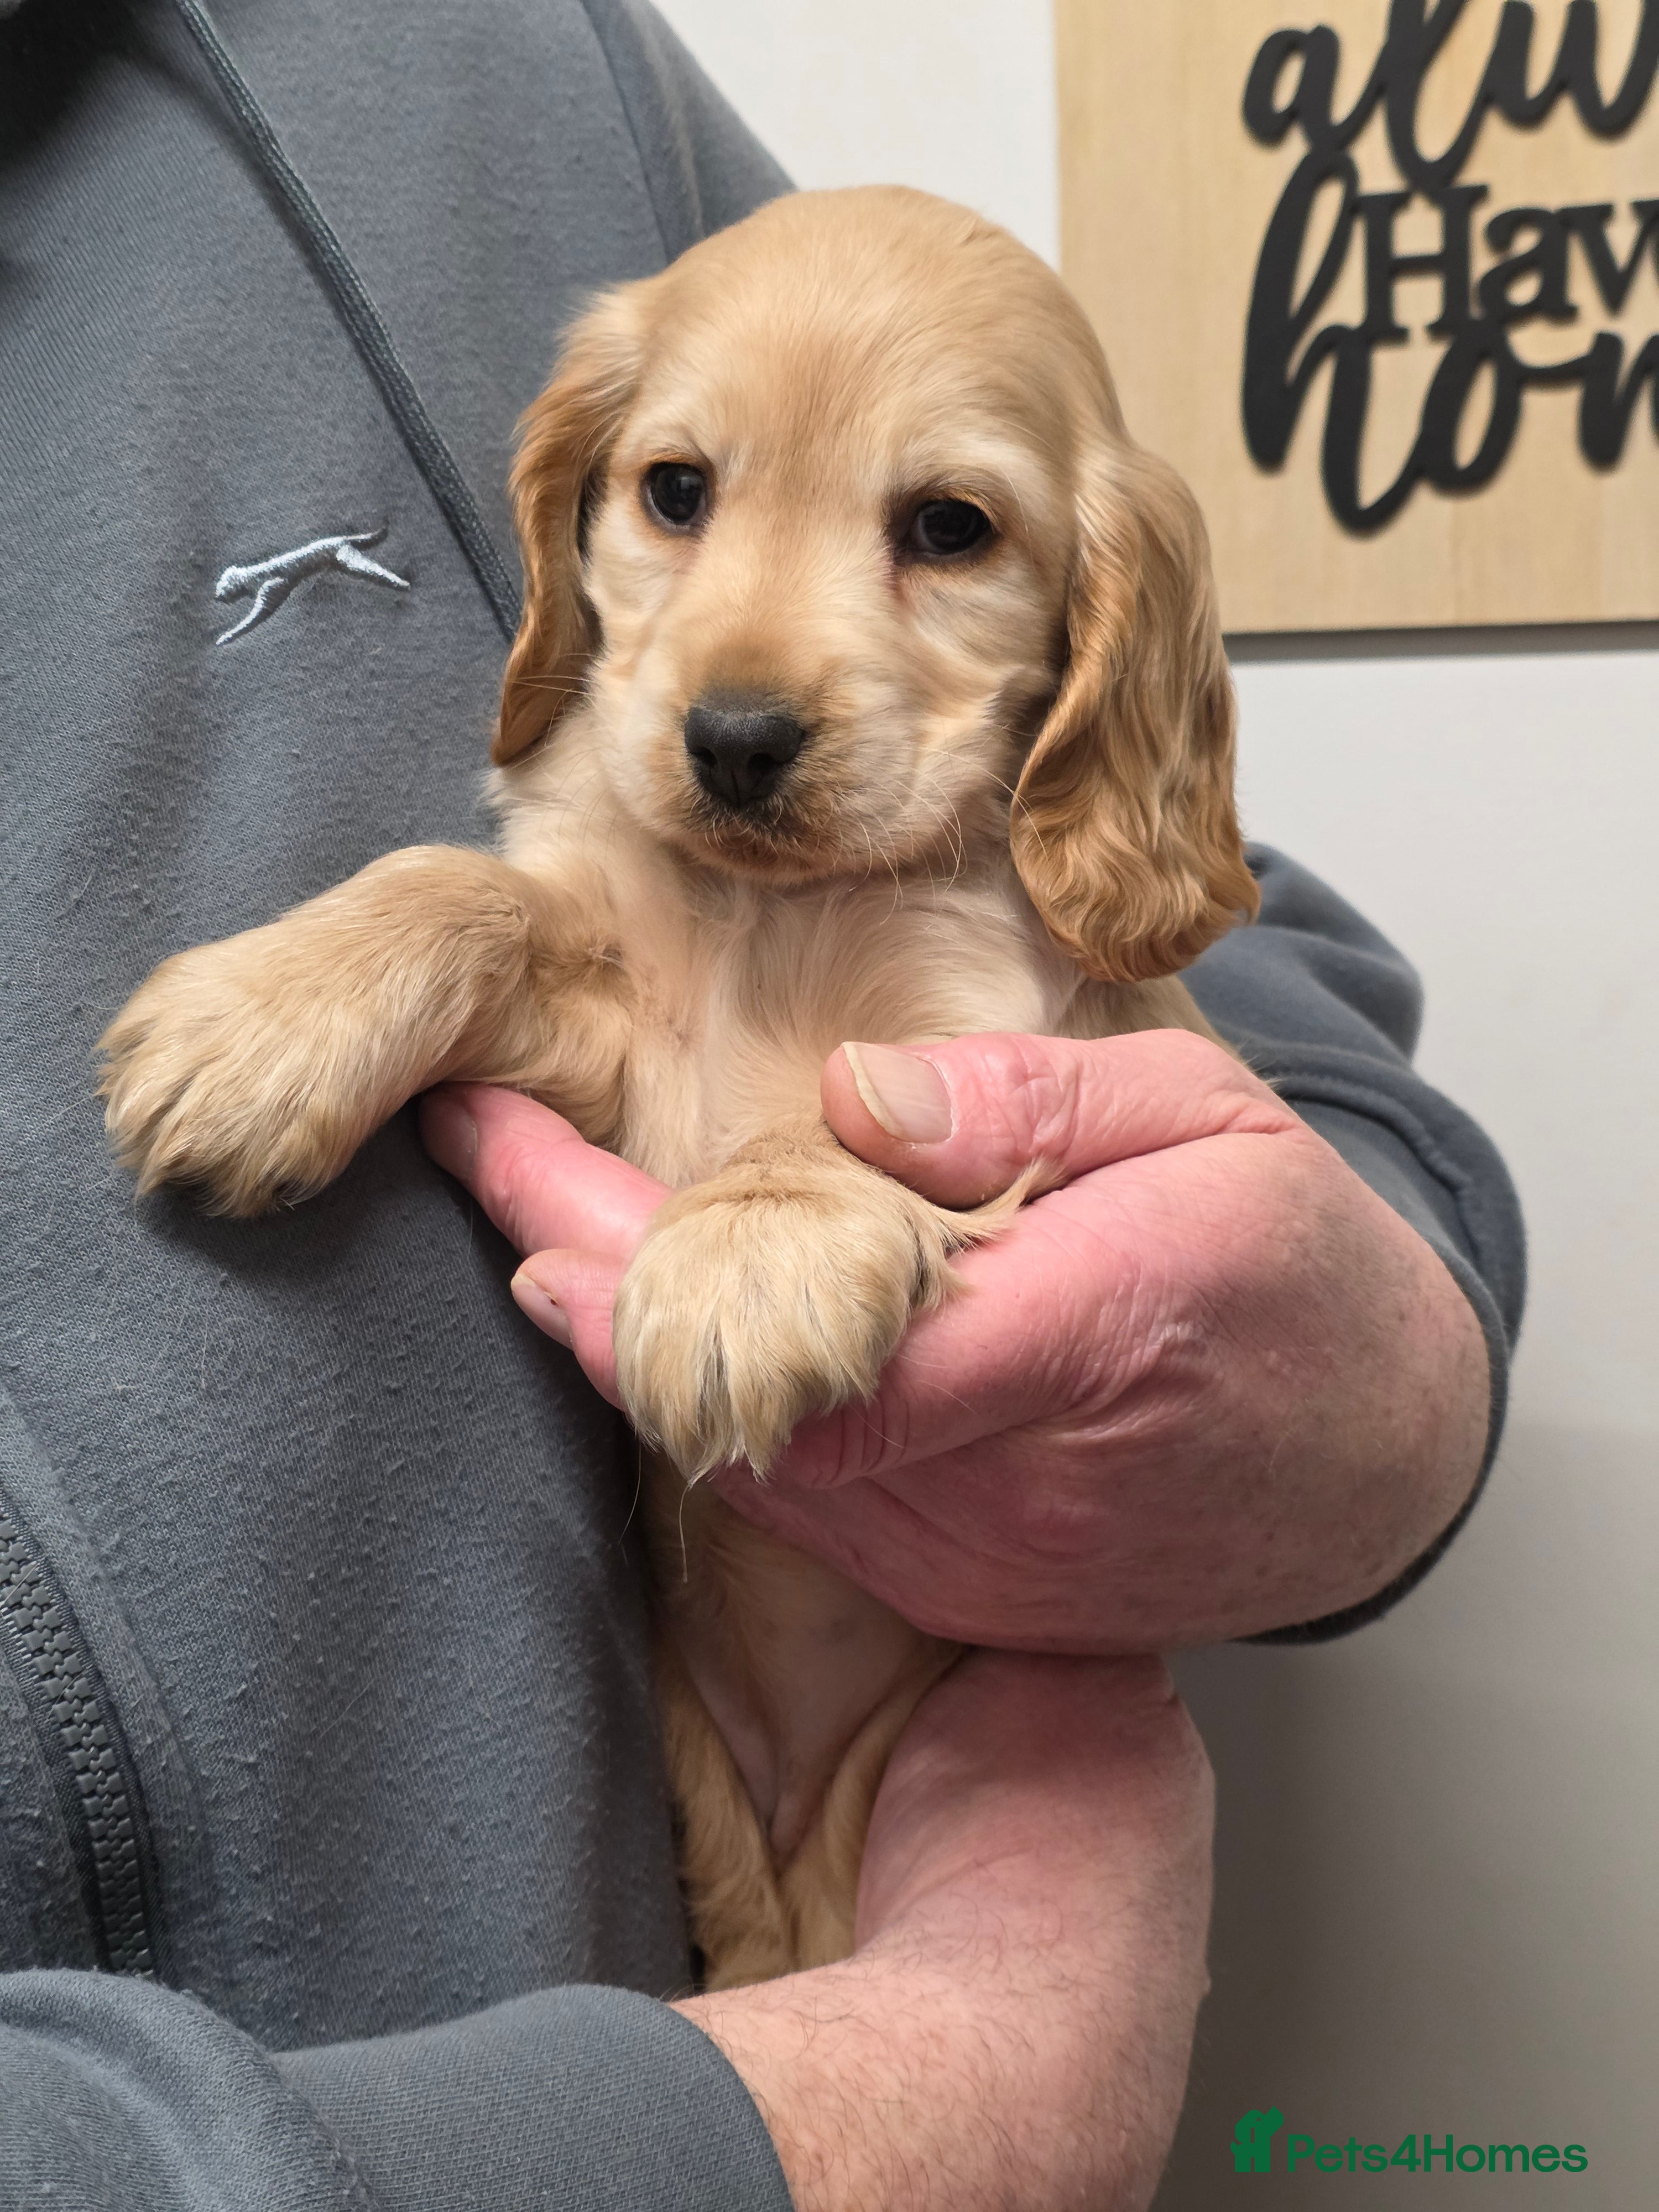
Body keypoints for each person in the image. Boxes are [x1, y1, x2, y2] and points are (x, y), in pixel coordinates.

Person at [0, 1, 1523, 2207]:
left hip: (950, 1809)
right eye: (680, 497)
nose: (739, 679)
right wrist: (428, 936)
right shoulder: (626, 776)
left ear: (1109, 609)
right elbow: (587, 984)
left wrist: (1394, 1351)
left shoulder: (510, 68)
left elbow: (1185, 1005)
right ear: (583, 499)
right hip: (701, 1999)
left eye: (942, 531)